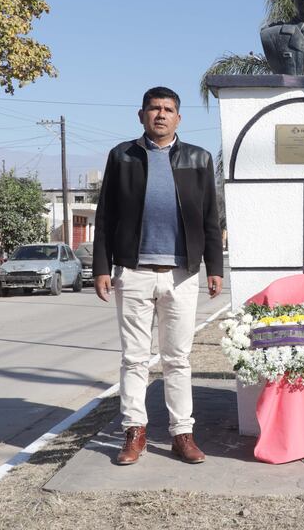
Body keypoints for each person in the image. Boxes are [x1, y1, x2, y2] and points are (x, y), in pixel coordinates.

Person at [93, 86, 224, 466]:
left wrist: (214, 267)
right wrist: (102, 267)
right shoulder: (123, 156)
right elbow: (105, 216)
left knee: (177, 358)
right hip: (132, 272)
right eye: (154, 109)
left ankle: (182, 433)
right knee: (134, 358)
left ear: (178, 118)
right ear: (142, 115)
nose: (161, 115)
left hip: (181, 274)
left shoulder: (199, 158)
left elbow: (209, 219)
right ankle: (134, 432)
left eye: (168, 109)